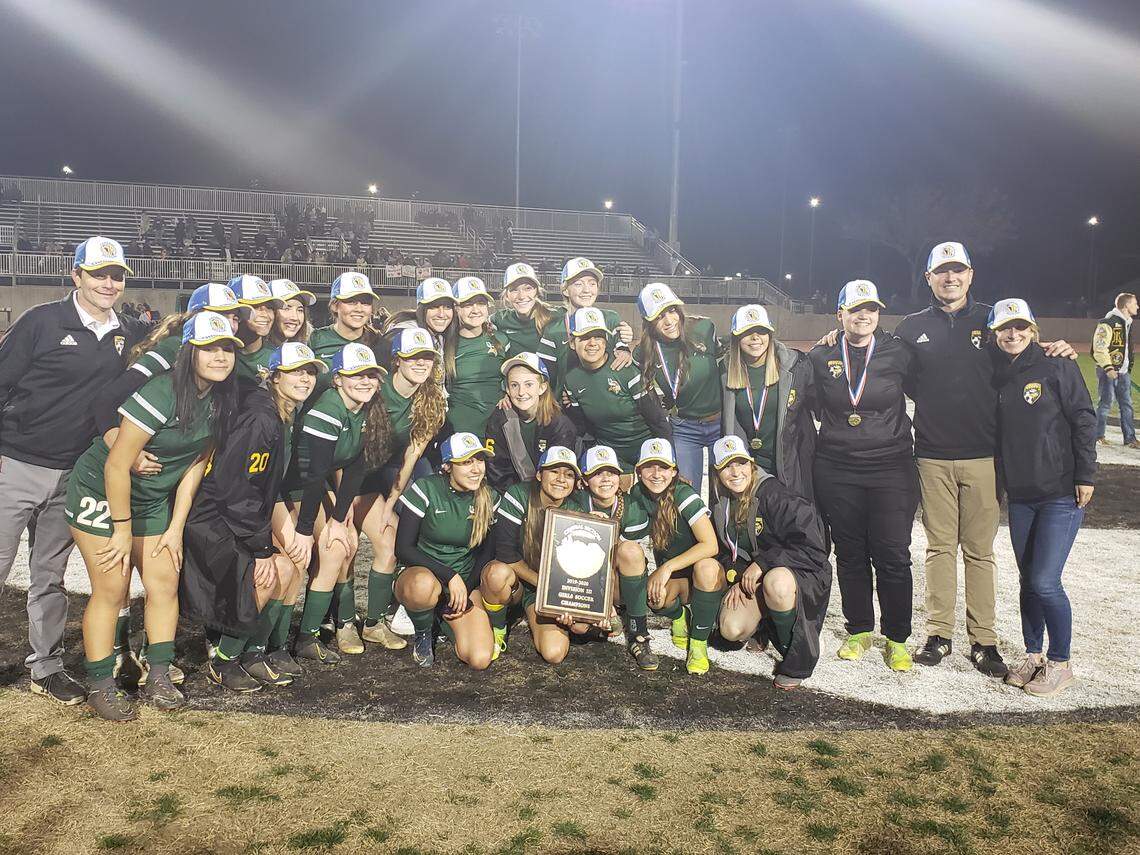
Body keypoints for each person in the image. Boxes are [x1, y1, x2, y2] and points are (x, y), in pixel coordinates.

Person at [67, 311, 239, 720]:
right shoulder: (161, 392)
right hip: (103, 493)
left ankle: (158, 673)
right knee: (112, 586)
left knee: (165, 582)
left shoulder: (221, 399)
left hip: (152, 500)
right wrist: (122, 532)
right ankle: (101, 684)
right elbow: (115, 465)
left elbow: (197, 464)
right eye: (209, 348)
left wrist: (176, 526)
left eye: (227, 348)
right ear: (188, 352)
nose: (220, 356)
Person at [0, 237, 149, 706]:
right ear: (76, 276)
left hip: (73, 473)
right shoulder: (40, 321)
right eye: (98, 273)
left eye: (116, 275)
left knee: (49, 574)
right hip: (16, 463)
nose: (108, 283)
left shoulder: (128, 332)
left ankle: (45, 667)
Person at [179, 342, 325, 691]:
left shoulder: (279, 413)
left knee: (290, 564)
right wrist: (261, 548)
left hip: (234, 515)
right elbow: (236, 489)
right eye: (295, 371)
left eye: (310, 372)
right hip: (214, 520)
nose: (305, 379)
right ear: (274, 376)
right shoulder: (261, 417)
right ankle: (225, 659)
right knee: (271, 572)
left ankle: (255, 651)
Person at [987, 299, 1096, 696]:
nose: (1012, 335)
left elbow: (1084, 418)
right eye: (1004, 329)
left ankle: (1061, 662)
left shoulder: (1058, 364)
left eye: (1020, 327)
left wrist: (1086, 474)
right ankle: (1033, 656)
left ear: (1033, 330)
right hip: (1021, 495)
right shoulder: (996, 371)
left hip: (1059, 491)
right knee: (1027, 581)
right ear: (995, 333)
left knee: (1045, 581)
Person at [808, 280, 917, 672]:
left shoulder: (898, 352)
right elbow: (811, 406)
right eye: (855, 309)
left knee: (892, 554)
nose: (864, 315)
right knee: (851, 553)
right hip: (837, 466)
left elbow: (934, 388)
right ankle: (858, 630)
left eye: (870, 308)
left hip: (891, 466)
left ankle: (898, 637)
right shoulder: (821, 356)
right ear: (840, 314)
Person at [282, 343, 379, 663]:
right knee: (302, 555)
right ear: (337, 379)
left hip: (315, 485)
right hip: (287, 488)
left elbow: (354, 466)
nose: (365, 381)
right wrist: (305, 528)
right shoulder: (328, 409)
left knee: (341, 545)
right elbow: (314, 474)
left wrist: (338, 519)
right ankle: (272, 643)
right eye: (356, 375)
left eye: (370, 375)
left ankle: (308, 637)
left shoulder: (362, 407)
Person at [709, 436, 831, 690]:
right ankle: (764, 625)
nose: (735, 472)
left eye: (740, 463)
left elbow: (815, 548)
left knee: (777, 583)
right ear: (717, 472)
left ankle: (795, 656)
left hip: (801, 571)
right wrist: (736, 576)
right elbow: (727, 551)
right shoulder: (722, 501)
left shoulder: (776, 495)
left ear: (751, 465)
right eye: (726, 467)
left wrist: (764, 563)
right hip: (758, 575)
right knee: (731, 629)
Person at [355, 327, 447, 649]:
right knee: (362, 542)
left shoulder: (432, 397)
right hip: (358, 472)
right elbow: (356, 454)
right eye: (413, 357)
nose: (421, 363)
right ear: (397, 360)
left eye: (427, 357)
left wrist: (392, 500)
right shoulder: (374, 391)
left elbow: (413, 454)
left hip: (394, 468)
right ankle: (343, 621)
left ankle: (394, 609)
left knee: (406, 527)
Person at [480, 446, 598, 664]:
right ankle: (498, 627)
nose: (561, 479)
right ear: (539, 474)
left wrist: (570, 603)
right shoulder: (519, 494)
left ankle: (536, 614)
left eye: (569, 474)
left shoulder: (577, 508)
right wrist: (547, 587)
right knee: (496, 574)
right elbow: (505, 553)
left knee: (555, 653)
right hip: (519, 581)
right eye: (554, 471)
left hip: (546, 591)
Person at [394, 432, 498, 670]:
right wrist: (450, 576)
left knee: (480, 658)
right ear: (447, 466)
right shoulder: (426, 489)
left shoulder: (489, 497)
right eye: (466, 462)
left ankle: (440, 619)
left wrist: (465, 588)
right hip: (423, 575)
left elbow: (486, 553)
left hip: (462, 584)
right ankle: (423, 631)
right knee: (422, 586)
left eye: (479, 460)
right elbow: (403, 548)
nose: (475, 469)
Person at [626, 438, 722, 675]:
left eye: (663, 467)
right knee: (652, 598)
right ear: (639, 471)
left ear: (674, 471)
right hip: (675, 579)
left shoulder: (684, 494)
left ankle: (698, 644)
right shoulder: (638, 493)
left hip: (704, 579)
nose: (656, 474)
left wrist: (666, 567)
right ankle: (680, 615)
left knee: (706, 568)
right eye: (649, 466)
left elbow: (710, 545)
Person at [634, 283, 724, 494]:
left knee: (723, 488)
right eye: (659, 316)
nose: (669, 320)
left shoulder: (705, 328)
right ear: (648, 322)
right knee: (685, 489)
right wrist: (620, 347)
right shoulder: (644, 352)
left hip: (719, 424)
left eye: (671, 310)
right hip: (684, 428)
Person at [721, 304, 816, 500]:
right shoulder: (723, 371)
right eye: (747, 332)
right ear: (736, 337)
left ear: (770, 334)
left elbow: (821, 405)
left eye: (762, 331)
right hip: (748, 468)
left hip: (788, 464)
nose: (756, 338)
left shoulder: (797, 366)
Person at [562, 308, 672, 476]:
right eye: (584, 337)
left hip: (647, 451)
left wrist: (668, 460)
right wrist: (569, 407)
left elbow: (657, 420)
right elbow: (582, 428)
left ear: (606, 341)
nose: (592, 343)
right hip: (610, 457)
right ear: (572, 343)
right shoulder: (571, 379)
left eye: (598, 336)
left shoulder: (625, 369)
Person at [577, 445, 658, 670]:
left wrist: (603, 532)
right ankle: (596, 616)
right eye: (597, 473)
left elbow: (636, 560)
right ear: (584, 479)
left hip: (618, 584)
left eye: (611, 472)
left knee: (629, 550)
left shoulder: (632, 508)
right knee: (578, 629)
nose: (606, 479)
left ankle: (638, 634)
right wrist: (583, 522)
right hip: (583, 580)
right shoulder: (575, 503)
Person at [485, 353, 577, 491]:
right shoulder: (500, 418)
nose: (521, 392)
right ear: (508, 390)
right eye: (515, 385)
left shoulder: (560, 425)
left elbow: (560, 476)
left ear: (542, 387)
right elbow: (497, 470)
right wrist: (517, 497)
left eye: (528, 384)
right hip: (513, 493)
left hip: (549, 494)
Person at [538, 257, 633, 389]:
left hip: (605, 398)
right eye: (578, 284)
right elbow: (543, 376)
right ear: (565, 290)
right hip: (566, 404)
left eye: (592, 283)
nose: (586, 290)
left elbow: (622, 354)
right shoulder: (554, 329)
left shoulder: (611, 319)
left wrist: (625, 348)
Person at [445, 277, 507, 437]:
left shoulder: (501, 340)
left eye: (480, 303)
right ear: (456, 308)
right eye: (467, 304)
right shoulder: (444, 345)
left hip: (499, 426)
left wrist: (508, 392)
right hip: (460, 427)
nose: (475, 310)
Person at [380, 278, 457, 375]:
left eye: (447, 307)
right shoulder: (400, 336)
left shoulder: (441, 334)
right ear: (421, 309)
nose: (441, 314)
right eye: (434, 307)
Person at [1091, 292, 1137, 448]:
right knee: (1105, 404)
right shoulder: (1108, 323)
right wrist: (1108, 367)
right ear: (1126, 305)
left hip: (1123, 372)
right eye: (1134, 303)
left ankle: (1130, 439)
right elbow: (1099, 348)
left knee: (1127, 405)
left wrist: (1126, 368)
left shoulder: (1127, 322)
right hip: (1108, 371)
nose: (1137, 306)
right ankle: (1098, 436)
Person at [308, 272, 380, 364]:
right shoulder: (315, 339)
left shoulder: (380, 343)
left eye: (365, 302)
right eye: (351, 302)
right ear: (334, 306)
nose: (359, 309)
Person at [494, 262, 563, 355]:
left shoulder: (556, 316)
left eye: (528, 288)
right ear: (507, 296)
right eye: (514, 290)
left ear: (537, 292)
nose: (521, 296)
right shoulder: (500, 318)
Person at [230, 274, 284, 387]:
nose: (265, 314)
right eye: (255, 307)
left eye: (269, 307)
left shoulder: (277, 357)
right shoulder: (218, 354)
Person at [267, 278, 316, 345]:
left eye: (300, 310)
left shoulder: (311, 345)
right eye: (286, 308)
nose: (295, 317)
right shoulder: (253, 349)